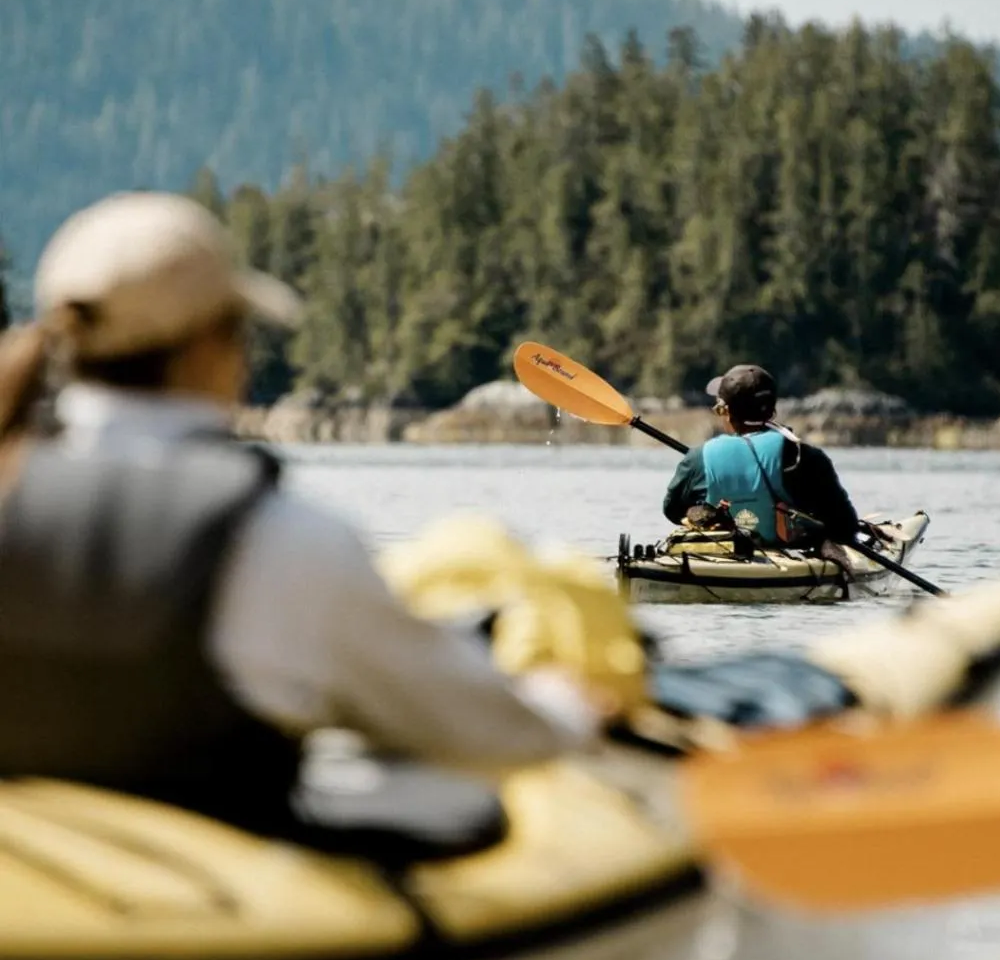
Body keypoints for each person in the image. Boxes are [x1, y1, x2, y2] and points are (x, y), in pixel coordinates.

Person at [0, 191, 603, 833]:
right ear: (214, 345)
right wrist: (568, 701)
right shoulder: (282, 540)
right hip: (226, 887)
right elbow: (495, 732)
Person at [663, 364, 860, 548]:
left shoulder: (697, 458)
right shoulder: (806, 456)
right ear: (772, 410)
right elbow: (845, 526)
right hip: (791, 559)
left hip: (721, 554)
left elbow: (672, 510)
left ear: (727, 412)